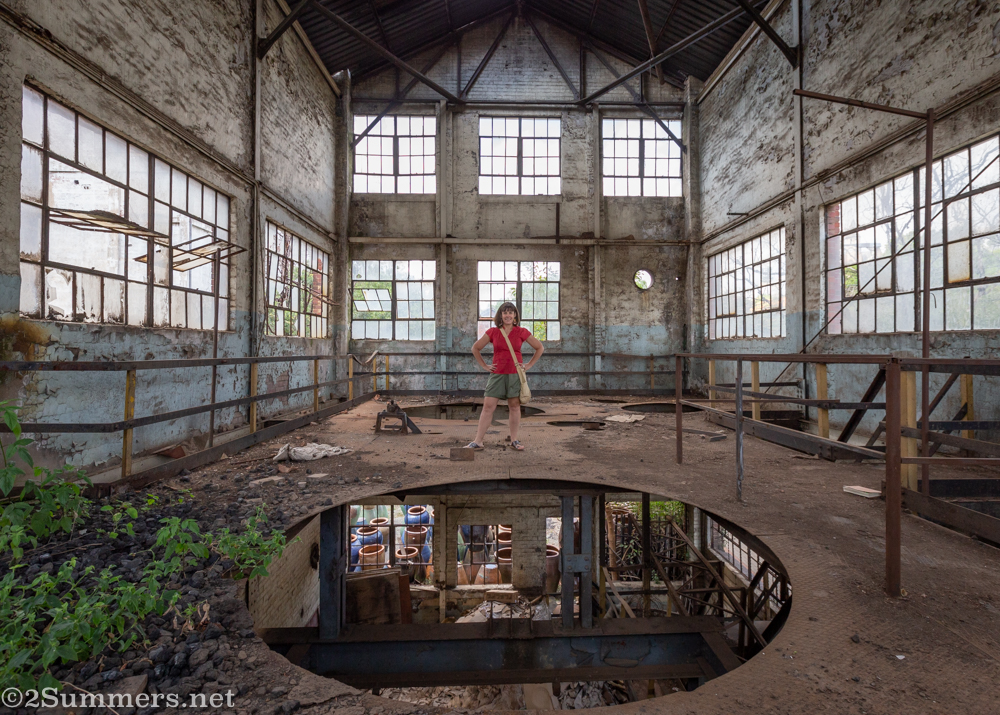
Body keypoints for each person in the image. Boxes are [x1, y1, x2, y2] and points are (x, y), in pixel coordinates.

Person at [466, 301, 544, 451]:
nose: (508, 315)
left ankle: (514, 440)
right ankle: (478, 441)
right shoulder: (493, 332)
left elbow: (540, 347)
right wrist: (485, 366)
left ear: (515, 315)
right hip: (497, 374)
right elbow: (475, 348)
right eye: (505, 312)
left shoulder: (522, 332)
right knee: (488, 406)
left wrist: (529, 365)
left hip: (514, 374)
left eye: (510, 312)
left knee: (514, 406)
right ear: (500, 315)